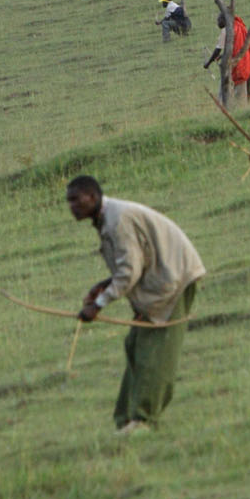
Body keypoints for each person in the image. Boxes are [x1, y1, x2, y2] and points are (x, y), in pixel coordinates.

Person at [64, 177, 205, 435]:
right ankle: (126, 418)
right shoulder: (108, 218)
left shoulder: (118, 221)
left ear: (93, 198)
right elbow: (132, 261)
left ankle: (144, 420)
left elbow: (129, 272)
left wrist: (98, 304)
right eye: (68, 201)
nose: (71, 206)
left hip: (173, 278)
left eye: (76, 199)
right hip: (157, 277)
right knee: (135, 345)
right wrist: (104, 284)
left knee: (155, 352)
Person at [205, 7, 250, 101]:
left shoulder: (226, 30)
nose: (217, 22)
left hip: (239, 68)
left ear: (225, 19)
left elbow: (217, 50)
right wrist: (223, 56)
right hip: (246, 64)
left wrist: (208, 63)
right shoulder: (238, 26)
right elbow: (236, 47)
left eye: (219, 19)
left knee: (235, 96)